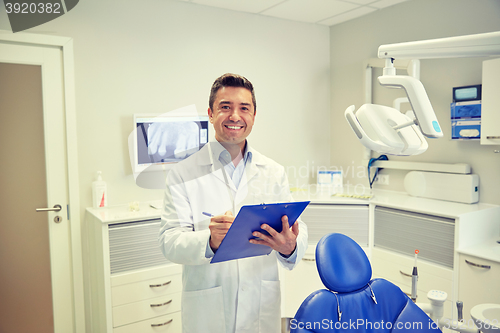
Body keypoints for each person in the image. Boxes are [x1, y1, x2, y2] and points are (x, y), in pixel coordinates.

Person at [159, 73, 308, 333]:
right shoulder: (184, 173)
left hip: (260, 305)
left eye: (244, 108)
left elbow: (294, 225)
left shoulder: (273, 171)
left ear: (254, 115)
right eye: (225, 107)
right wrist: (209, 241)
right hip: (209, 310)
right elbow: (169, 241)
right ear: (210, 113)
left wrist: (290, 246)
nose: (235, 116)